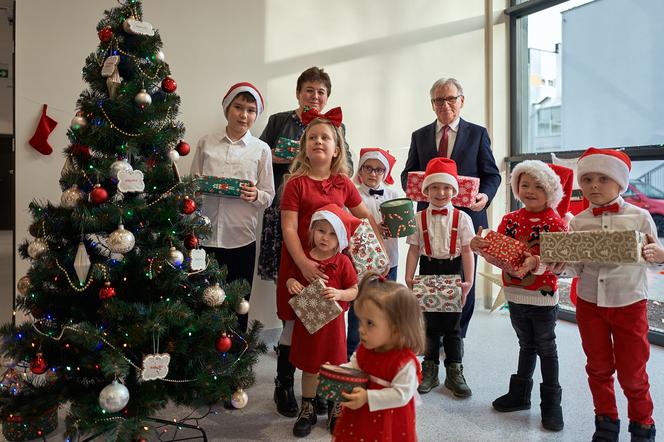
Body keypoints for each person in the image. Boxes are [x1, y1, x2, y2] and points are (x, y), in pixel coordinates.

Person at [273, 111, 383, 420]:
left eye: (326, 138)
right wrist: (304, 264)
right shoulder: (295, 184)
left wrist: (377, 252)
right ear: (304, 147)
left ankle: (323, 391)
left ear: (336, 149)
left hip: (334, 266)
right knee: (295, 328)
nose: (319, 141)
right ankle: (284, 383)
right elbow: (290, 229)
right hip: (300, 264)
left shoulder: (343, 183)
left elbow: (363, 217)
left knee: (328, 327)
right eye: (312, 137)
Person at [551, 148, 664, 442]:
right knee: (598, 368)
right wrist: (559, 264)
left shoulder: (640, 217)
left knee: (633, 372)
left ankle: (642, 424)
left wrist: (659, 255)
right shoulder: (577, 222)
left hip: (629, 303)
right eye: (587, 179)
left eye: (603, 178)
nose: (594, 186)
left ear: (620, 182)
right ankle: (606, 422)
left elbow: (653, 254)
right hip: (590, 304)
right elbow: (575, 266)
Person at [471, 160, 570, 431]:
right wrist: (479, 246)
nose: (530, 190)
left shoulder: (556, 223)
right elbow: (498, 255)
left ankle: (551, 404)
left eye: (538, 186)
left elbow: (558, 263)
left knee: (547, 348)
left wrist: (536, 261)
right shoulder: (510, 220)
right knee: (526, 344)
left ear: (550, 191)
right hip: (515, 294)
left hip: (542, 297)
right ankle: (520, 394)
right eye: (524, 184)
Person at [400, 77, 501, 338]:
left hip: (468, 218)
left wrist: (485, 197)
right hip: (429, 221)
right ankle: (433, 337)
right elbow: (407, 173)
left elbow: (492, 175)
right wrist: (411, 187)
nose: (445, 104)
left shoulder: (478, 133)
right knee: (431, 278)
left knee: (464, 280)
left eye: (451, 98)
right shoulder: (419, 135)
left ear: (461, 101)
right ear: (432, 104)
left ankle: (458, 338)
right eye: (439, 100)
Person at [190, 82, 274, 333]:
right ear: (227, 109)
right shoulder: (206, 143)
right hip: (205, 238)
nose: (243, 115)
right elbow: (192, 185)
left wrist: (255, 194)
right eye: (238, 107)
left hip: (241, 240)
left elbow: (268, 196)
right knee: (202, 301)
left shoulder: (261, 150)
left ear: (256, 115)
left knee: (238, 305)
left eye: (250, 110)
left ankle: (235, 362)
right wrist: (199, 188)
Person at [257, 67, 354, 283]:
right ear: (298, 93)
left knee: (326, 270)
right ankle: (291, 318)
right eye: (309, 90)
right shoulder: (278, 121)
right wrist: (277, 157)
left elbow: (349, 166)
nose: (315, 96)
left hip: (325, 211)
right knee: (289, 273)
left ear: (327, 98)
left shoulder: (336, 126)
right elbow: (257, 158)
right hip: (284, 208)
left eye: (321, 92)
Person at [286, 204, 360, 437]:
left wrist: (339, 294)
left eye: (332, 234)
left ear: (340, 240)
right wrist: (291, 284)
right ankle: (307, 407)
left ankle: (335, 408)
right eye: (320, 231)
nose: (325, 238)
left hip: (333, 330)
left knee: (334, 369)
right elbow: (291, 280)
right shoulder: (305, 259)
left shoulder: (344, 262)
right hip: (308, 327)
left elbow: (354, 290)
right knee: (309, 369)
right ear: (312, 231)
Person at [404, 158, 475, 398]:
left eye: (446, 188)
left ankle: (455, 371)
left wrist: (469, 281)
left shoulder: (463, 219)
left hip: (453, 271)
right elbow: (414, 249)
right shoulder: (418, 218)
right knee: (430, 325)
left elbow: (467, 251)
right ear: (426, 190)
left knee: (453, 325)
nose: (440, 192)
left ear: (454, 191)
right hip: (428, 270)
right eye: (434, 187)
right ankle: (430, 369)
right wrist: (408, 275)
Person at [332, 272, 425, 442]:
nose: (360, 329)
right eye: (361, 321)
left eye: (370, 323)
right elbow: (354, 368)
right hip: (361, 412)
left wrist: (368, 397)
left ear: (396, 329)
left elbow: (401, 394)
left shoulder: (404, 363)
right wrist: (332, 374)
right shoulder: (366, 350)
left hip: (389, 417)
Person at [346, 147, 400, 359]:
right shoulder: (352, 194)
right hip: (361, 263)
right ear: (360, 169)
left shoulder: (394, 195)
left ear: (385, 173)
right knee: (359, 306)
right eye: (368, 168)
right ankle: (352, 351)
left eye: (379, 170)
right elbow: (347, 225)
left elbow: (403, 228)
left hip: (390, 260)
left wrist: (392, 227)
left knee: (385, 305)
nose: (373, 173)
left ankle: (381, 350)